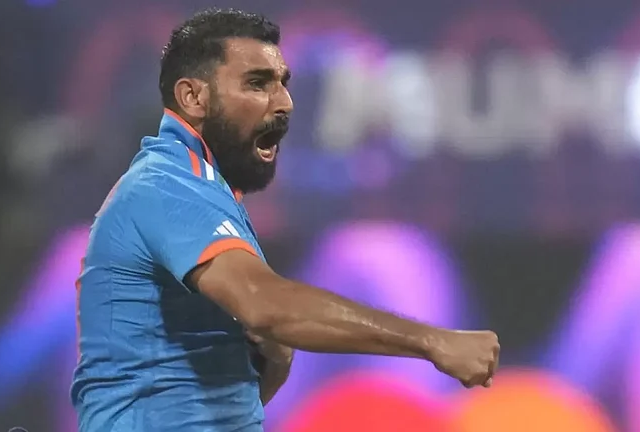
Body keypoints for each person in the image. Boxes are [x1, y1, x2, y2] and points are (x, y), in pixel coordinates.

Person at [71, 8, 500, 432]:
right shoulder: (168, 186)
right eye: (258, 84)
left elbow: (243, 368)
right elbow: (263, 304)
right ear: (193, 97)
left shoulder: (209, 191)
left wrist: (272, 356)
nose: (284, 104)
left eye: (282, 85)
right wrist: (433, 341)